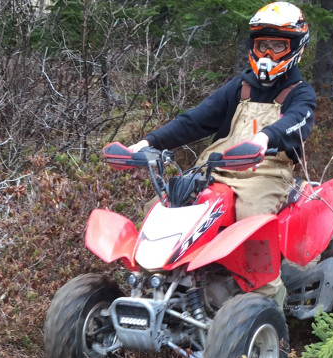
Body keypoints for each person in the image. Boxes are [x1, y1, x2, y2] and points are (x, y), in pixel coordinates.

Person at [127, 1, 317, 305]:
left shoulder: (300, 93)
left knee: (252, 216)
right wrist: (149, 143)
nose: (267, 54)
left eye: (277, 46)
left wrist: (265, 138)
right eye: (262, 45)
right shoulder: (239, 86)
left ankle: (266, 297)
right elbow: (196, 119)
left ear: (295, 48)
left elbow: (298, 123)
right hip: (215, 167)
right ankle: (156, 282)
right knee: (161, 207)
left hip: (264, 172)